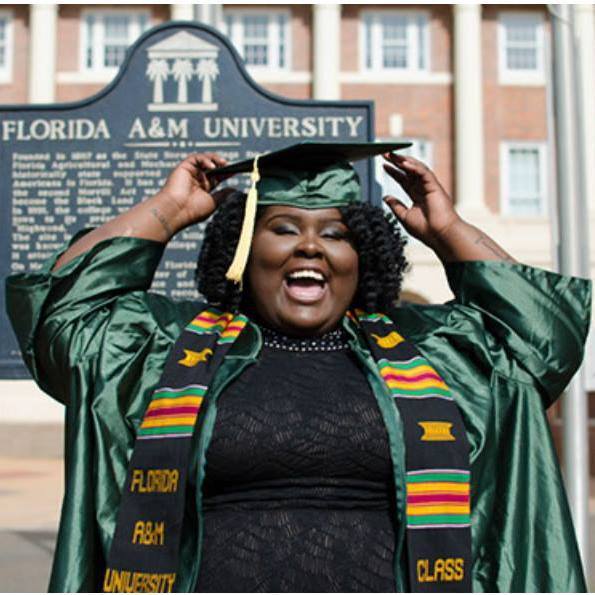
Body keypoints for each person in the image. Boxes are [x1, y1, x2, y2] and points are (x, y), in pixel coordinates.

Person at [5, 142, 591, 593]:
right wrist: (167, 210)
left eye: (334, 234)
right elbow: (66, 311)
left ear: (361, 262)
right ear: (243, 250)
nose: (309, 246)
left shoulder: (433, 352)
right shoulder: (166, 348)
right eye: (283, 228)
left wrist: (450, 232)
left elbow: (538, 340)